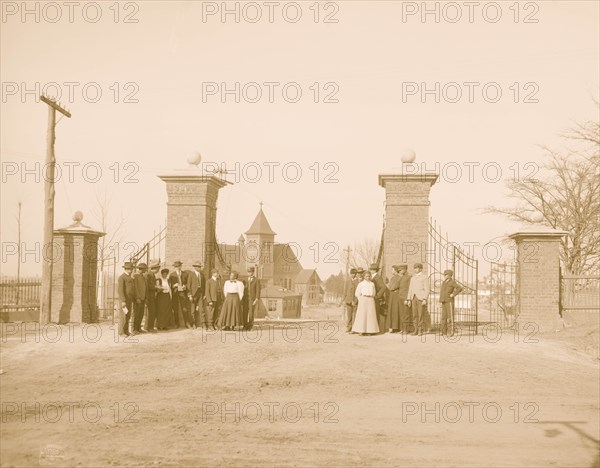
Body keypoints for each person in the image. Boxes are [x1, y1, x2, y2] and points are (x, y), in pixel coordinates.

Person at [352, 270, 379, 335]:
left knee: (370, 316)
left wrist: (371, 296)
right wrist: (360, 299)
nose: (368, 277)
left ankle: (370, 331)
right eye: (366, 276)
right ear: (364, 277)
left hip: (370, 300)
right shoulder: (361, 284)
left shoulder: (372, 284)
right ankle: (361, 330)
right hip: (363, 300)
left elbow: (374, 292)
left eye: (369, 276)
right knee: (362, 315)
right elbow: (357, 293)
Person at [407, 263, 430, 336]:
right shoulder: (413, 278)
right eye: (414, 268)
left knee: (420, 315)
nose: (415, 269)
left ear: (420, 269)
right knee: (414, 315)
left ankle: (420, 330)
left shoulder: (424, 277)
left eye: (417, 268)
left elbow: (427, 289)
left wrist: (424, 299)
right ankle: (415, 330)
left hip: (420, 298)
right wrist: (409, 299)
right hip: (413, 298)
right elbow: (410, 289)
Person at [439, 269, 463, 336]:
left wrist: (453, 294)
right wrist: (440, 300)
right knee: (443, 317)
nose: (445, 276)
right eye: (445, 275)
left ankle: (450, 332)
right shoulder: (444, 282)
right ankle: (443, 332)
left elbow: (459, 288)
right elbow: (442, 292)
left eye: (446, 275)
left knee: (450, 317)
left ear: (450, 275)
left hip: (449, 301)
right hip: (443, 301)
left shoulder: (452, 282)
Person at [169, 261, 191, 328]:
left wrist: (185, 286)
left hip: (182, 293)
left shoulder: (185, 274)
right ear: (174, 267)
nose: (177, 268)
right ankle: (176, 324)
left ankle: (187, 323)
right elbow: (169, 285)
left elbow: (188, 283)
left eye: (179, 266)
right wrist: (174, 285)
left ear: (181, 266)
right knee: (175, 309)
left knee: (184, 308)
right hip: (175, 293)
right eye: (176, 267)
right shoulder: (172, 275)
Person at [117, 262, 136, 336]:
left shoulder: (130, 277)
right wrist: (123, 301)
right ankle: (121, 332)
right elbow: (120, 290)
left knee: (128, 316)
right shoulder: (122, 277)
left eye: (131, 269)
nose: (130, 270)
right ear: (125, 269)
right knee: (123, 316)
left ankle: (126, 331)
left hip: (129, 299)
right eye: (129, 269)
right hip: (124, 300)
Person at [370, 263, 388, 334]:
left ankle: (378, 330)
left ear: (375, 270)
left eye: (372, 269)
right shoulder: (372, 277)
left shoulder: (377, 277)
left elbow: (384, 287)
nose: (371, 270)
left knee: (377, 313)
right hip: (373, 298)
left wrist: (377, 295)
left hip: (376, 298)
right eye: (371, 269)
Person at [187, 260, 206, 329]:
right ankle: (193, 323)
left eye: (199, 267)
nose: (199, 268)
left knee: (201, 309)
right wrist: (190, 295)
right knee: (192, 309)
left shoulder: (202, 275)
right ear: (195, 267)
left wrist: (204, 294)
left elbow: (204, 285)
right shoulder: (191, 275)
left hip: (200, 293)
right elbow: (188, 285)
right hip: (193, 294)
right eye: (197, 267)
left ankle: (203, 323)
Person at [386, 265, 402, 333]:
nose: (391, 271)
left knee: (396, 311)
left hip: (396, 295)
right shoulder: (392, 278)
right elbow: (390, 286)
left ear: (396, 270)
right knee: (392, 311)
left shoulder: (399, 278)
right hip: (392, 295)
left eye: (392, 270)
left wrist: (393, 288)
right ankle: (393, 327)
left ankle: (397, 327)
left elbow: (397, 286)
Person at [133, 263, 148, 334]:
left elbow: (145, 287)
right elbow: (135, 288)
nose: (146, 270)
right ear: (141, 269)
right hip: (138, 299)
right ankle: (134, 329)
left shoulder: (144, 276)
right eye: (145, 269)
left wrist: (145, 297)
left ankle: (139, 328)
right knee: (136, 314)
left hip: (143, 298)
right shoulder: (135, 276)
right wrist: (137, 297)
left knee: (141, 314)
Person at [145, 260, 160, 333]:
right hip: (149, 296)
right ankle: (149, 328)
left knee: (152, 312)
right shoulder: (148, 275)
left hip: (152, 296)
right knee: (151, 312)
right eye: (157, 269)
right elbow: (147, 286)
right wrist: (156, 287)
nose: (158, 270)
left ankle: (148, 327)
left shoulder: (152, 275)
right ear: (154, 268)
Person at [243, 266, 260, 331]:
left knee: (251, 313)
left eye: (250, 272)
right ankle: (245, 326)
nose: (249, 273)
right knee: (244, 312)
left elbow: (258, 290)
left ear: (253, 272)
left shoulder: (256, 280)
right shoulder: (244, 280)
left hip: (252, 299)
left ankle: (250, 326)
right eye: (248, 272)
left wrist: (256, 299)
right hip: (245, 299)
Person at [396, 265, 412, 334]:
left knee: (406, 314)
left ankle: (406, 329)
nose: (399, 271)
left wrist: (408, 299)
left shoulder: (409, 277)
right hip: (400, 297)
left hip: (405, 298)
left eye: (401, 270)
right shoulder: (401, 277)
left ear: (405, 269)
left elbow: (409, 288)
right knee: (402, 314)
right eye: (399, 270)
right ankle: (402, 329)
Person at [343, 268, 359, 333]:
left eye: (354, 274)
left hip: (355, 300)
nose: (352, 275)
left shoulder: (358, 282)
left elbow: (358, 292)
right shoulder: (348, 281)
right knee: (349, 315)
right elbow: (345, 290)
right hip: (348, 300)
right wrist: (344, 299)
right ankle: (348, 328)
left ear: (356, 274)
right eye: (351, 274)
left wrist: (355, 300)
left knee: (354, 315)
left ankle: (354, 328)